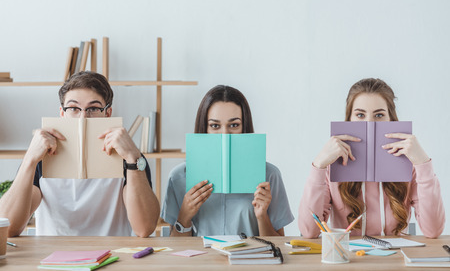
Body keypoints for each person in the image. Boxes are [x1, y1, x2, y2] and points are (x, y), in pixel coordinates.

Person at [0, 72, 160, 237]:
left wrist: (133, 158)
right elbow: (9, 227)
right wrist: (29, 160)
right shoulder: (41, 157)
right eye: (73, 108)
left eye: (93, 108)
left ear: (107, 112)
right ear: (62, 113)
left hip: (114, 257)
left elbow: (144, 228)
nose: (83, 117)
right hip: (52, 257)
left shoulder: (129, 157)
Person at [298, 78, 445, 238]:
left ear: (391, 119)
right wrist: (318, 166)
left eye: (379, 115)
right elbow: (308, 231)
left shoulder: (408, 165)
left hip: (395, 259)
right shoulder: (332, 166)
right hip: (349, 259)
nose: (369, 123)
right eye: (360, 114)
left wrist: (422, 163)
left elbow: (433, 231)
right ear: (349, 120)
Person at [161, 85, 294, 237]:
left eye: (234, 125)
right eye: (215, 126)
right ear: (205, 128)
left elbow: (279, 246)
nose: (224, 134)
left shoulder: (269, 175)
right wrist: (184, 216)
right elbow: (175, 251)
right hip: (202, 260)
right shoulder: (179, 177)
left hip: (248, 260)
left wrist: (261, 216)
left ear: (244, 127)